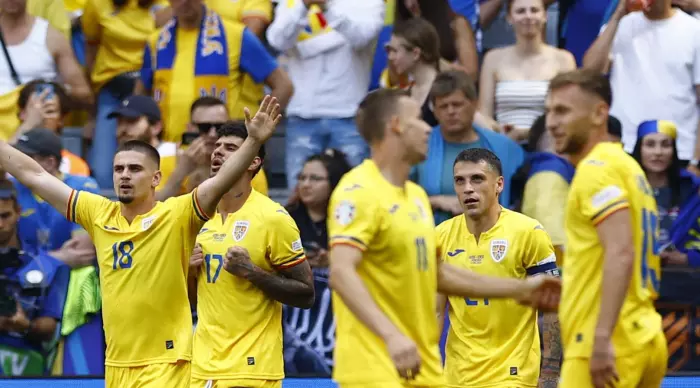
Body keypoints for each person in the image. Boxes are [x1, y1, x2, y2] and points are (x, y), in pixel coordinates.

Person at [0, 95, 281, 387]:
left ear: (156, 177)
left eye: (135, 169)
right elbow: (33, 174)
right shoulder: (98, 214)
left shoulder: (177, 214)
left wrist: (253, 142)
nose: (124, 176)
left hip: (166, 363)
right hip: (117, 364)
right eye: (119, 169)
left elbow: (220, 181)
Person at [328, 88, 561, 387]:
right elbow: (341, 272)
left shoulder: (414, 198)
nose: (429, 128)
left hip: (424, 369)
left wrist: (521, 288)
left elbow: (437, 274)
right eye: (419, 120)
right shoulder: (358, 191)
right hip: (379, 364)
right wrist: (392, 336)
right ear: (397, 125)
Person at [545, 69, 667, 388]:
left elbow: (621, 252)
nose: (551, 122)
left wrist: (600, 339)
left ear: (600, 113)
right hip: (643, 333)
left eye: (562, 110)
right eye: (548, 111)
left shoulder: (595, 170)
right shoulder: (627, 166)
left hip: (604, 343)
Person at [188, 121, 315, 388]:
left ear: (252, 162)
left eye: (231, 148)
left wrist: (252, 272)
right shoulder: (198, 215)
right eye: (217, 147)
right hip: (202, 366)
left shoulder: (273, 218)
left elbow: (306, 293)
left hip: (251, 368)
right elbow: (192, 301)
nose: (218, 153)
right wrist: (188, 271)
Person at [436, 148, 561, 388]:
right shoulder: (440, 236)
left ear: (499, 184)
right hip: (456, 376)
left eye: (477, 179)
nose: (468, 188)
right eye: (459, 181)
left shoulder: (528, 232)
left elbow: (552, 308)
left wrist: (550, 373)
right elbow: (435, 312)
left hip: (512, 374)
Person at [479, 0, 576, 143]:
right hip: (504, 142)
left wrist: (526, 133)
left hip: (549, 144)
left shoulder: (564, 59)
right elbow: (484, 114)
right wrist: (500, 134)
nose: (528, 16)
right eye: (521, 11)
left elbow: (569, 112)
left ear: (545, 16)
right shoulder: (493, 59)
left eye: (534, 10)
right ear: (509, 18)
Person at [0, 181, 70, 376]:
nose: (0, 224)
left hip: (27, 357)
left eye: (5, 216)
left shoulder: (43, 264)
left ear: (18, 212)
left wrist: (26, 325)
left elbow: (50, 325)